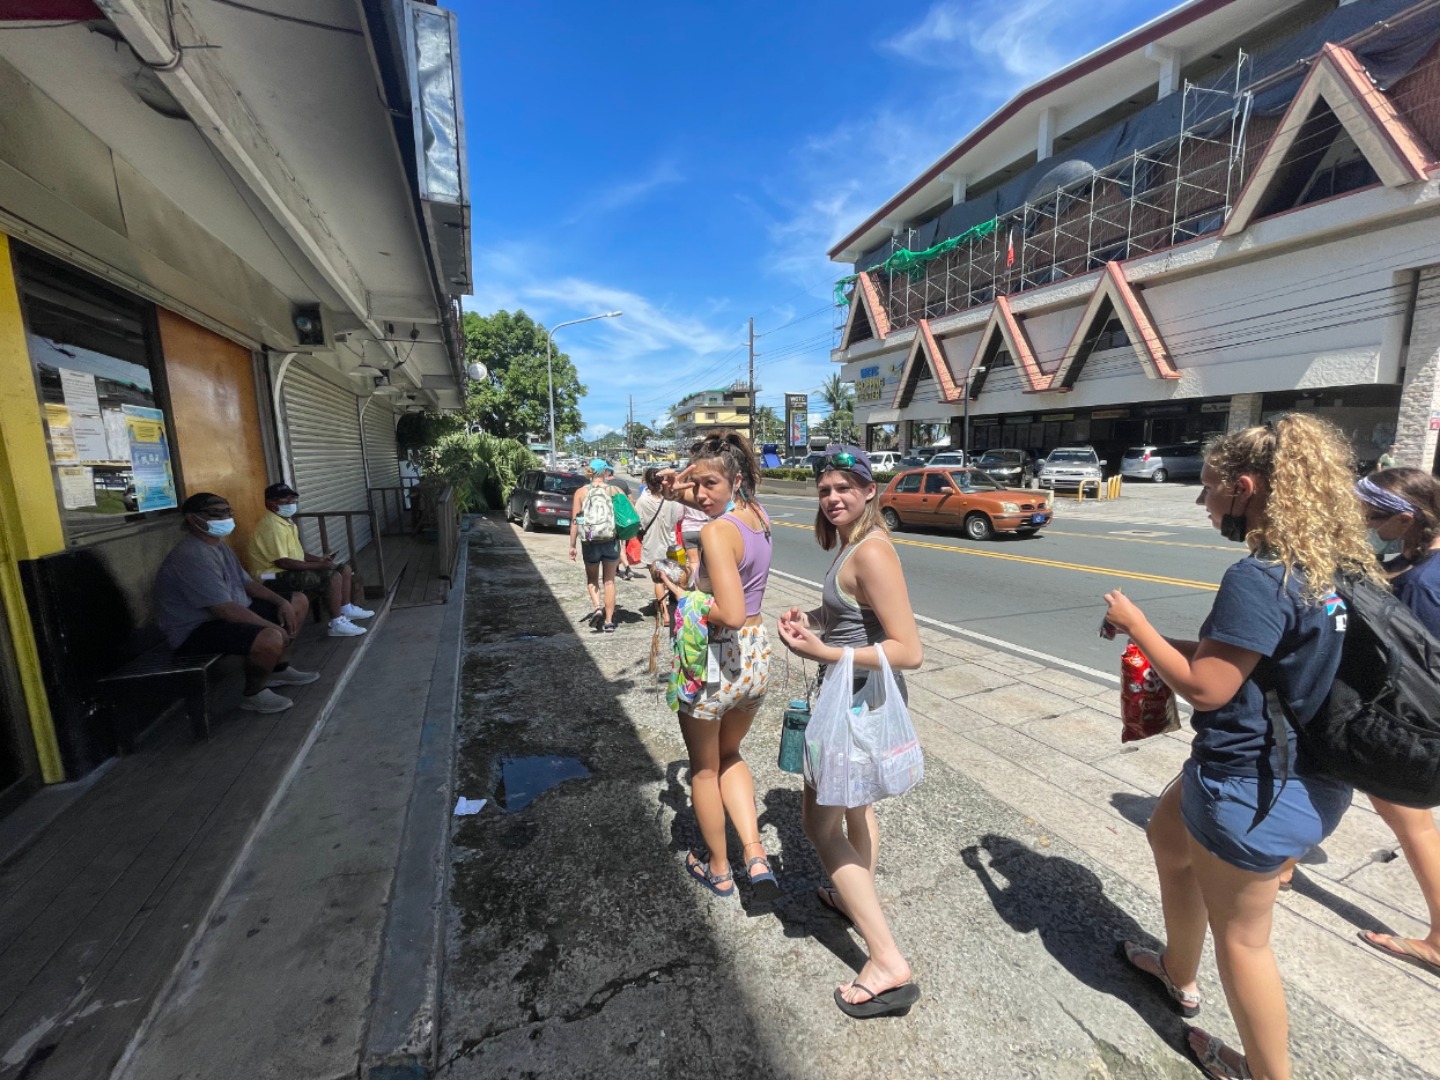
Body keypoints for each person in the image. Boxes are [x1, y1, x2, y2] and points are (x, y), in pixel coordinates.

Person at [1101, 414, 1377, 1080]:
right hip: (1307, 775)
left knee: (1246, 943)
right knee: (1167, 836)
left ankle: (1265, 1072)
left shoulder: (1257, 577)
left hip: (1252, 788)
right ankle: (1177, 969)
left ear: (1245, 488)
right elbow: (1249, 659)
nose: (1202, 501)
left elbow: (1208, 687)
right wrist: (1156, 642)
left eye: (1209, 488)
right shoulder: (1328, 570)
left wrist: (1137, 622)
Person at [776, 445, 925, 1020]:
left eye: (844, 488)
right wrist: (811, 620)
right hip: (854, 697)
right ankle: (852, 894)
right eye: (824, 489)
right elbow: (853, 619)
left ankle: (886, 960)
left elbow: (908, 650)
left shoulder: (873, 552)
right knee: (857, 807)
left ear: (869, 492)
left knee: (817, 825)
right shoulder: (851, 545)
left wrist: (825, 652)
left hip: (856, 705)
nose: (833, 497)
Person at [658, 430, 778, 902]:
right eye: (696, 484)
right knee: (731, 755)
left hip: (716, 656)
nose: (700, 494)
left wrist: (682, 595)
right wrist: (679, 487)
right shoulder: (759, 517)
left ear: (736, 481)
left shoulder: (715, 531)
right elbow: (711, 495)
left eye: (709, 484)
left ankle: (720, 868)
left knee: (704, 770)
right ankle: (755, 855)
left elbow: (728, 612)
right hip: (756, 657)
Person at [1352, 468, 1440, 978]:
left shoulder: (1424, 583)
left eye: (1372, 516)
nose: (1365, 522)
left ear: (1406, 519)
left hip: (1407, 721)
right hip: (1400, 719)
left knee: (1410, 820)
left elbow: (1420, 666)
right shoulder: (1416, 559)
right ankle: (1283, 867)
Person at [154, 492, 322, 714]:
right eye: (216, 513)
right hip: (198, 629)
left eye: (228, 512)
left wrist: (282, 602)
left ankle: (279, 669)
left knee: (297, 601)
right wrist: (272, 628)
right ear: (193, 519)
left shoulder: (219, 546)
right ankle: (254, 693)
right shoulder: (192, 555)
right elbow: (223, 609)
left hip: (231, 612)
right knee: (270, 636)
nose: (225, 517)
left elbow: (247, 583)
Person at [245, 483, 373, 638]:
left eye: (293, 500)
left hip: (285, 570)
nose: (291, 504)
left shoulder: (286, 522)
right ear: (271, 503)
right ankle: (337, 624)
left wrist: (320, 560)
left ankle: (346, 609)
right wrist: (320, 565)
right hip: (268, 576)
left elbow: (299, 554)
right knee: (331, 576)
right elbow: (283, 562)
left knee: (343, 568)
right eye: (286, 500)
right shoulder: (271, 526)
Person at [569, 459, 625, 632]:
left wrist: (572, 545)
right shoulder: (615, 491)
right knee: (609, 582)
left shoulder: (581, 492)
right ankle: (609, 622)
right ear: (605, 472)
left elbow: (575, 521)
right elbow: (626, 516)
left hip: (590, 541)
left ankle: (597, 607)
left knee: (592, 579)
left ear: (590, 472)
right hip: (610, 541)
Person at [634, 467, 684, 625]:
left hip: (651, 545)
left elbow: (638, 522)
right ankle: (678, 611)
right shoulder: (671, 500)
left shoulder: (643, 501)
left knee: (658, 581)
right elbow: (677, 518)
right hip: (670, 544)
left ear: (648, 484)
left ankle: (665, 614)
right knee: (673, 579)